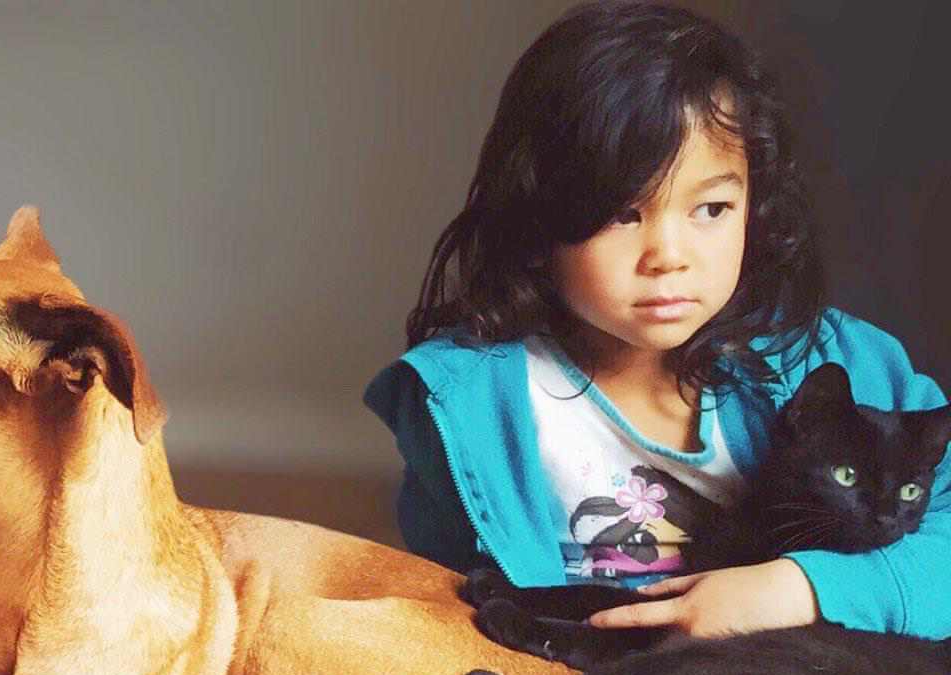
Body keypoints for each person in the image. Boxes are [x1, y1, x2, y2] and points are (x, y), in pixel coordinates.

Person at [366, 1, 950, 640]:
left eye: (712, 209)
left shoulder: (835, 361)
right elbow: (447, 604)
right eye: (624, 214)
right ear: (538, 222)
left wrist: (801, 588)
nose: (669, 258)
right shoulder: (472, 403)